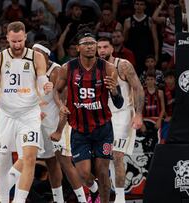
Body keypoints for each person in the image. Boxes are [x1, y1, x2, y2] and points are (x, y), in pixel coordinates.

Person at [0, 21, 53, 203]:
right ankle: (2, 199)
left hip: (29, 114)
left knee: (29, 158)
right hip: (6, 115)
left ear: (25, 37)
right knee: (3, 162)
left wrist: (46, 86)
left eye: (20, 41)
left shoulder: (36, 58)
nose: (17, 45)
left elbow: (42, 83)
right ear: (7, 39)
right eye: (13, 41)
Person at [55, 29, 124, 203]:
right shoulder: (67, 68)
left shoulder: (108, 68)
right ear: (78, 48)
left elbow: (119, 103)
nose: (90, 46)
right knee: (84, 174)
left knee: (102, 172)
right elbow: (56, 90)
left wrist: (115, 91)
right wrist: (60, 105)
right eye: (85, 43)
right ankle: (93, 190)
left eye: (92, 43)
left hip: (103, 129)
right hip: (79, 129)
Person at [33, 41, 87, 203]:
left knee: (65, 162)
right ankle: (58, 200)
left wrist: (58, 130)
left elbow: (66, 104)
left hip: (59, 124)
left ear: (46, 55)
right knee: (50, 163)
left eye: (37, 53)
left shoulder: (57, 71)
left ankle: (83, 200)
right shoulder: (33, 71)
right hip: (42, 124)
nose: (34, 56)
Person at [97, 37, 144, 203]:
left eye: (105, 47)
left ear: (111, 49)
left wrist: (138, 114)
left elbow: (138, 88)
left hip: (122, 114)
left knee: (117, 156)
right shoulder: (94, 67)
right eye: (99, 47)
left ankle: (120, 198)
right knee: (105, 159)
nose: (102, 50)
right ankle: (102, 193)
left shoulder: (123, 65)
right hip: (102, 116)